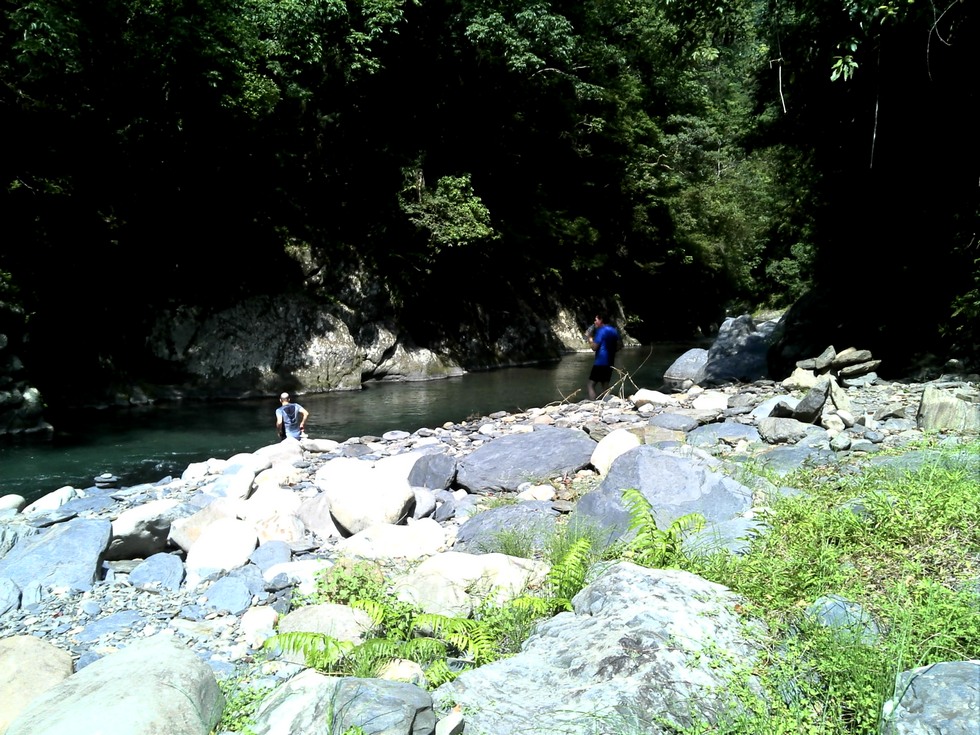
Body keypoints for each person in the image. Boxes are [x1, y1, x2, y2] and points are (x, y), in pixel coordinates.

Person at [587, 312, 619, 400]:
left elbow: (594, 347)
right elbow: (619, 346)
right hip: (610, 361)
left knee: (591, 385)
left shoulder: (601, 331)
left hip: (600, 362)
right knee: (605, 384)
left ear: (601, 320)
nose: (594, 322)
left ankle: (593, 403)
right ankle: (606, 403)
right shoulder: (614, 330)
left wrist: (590, 339)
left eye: (596, 320)